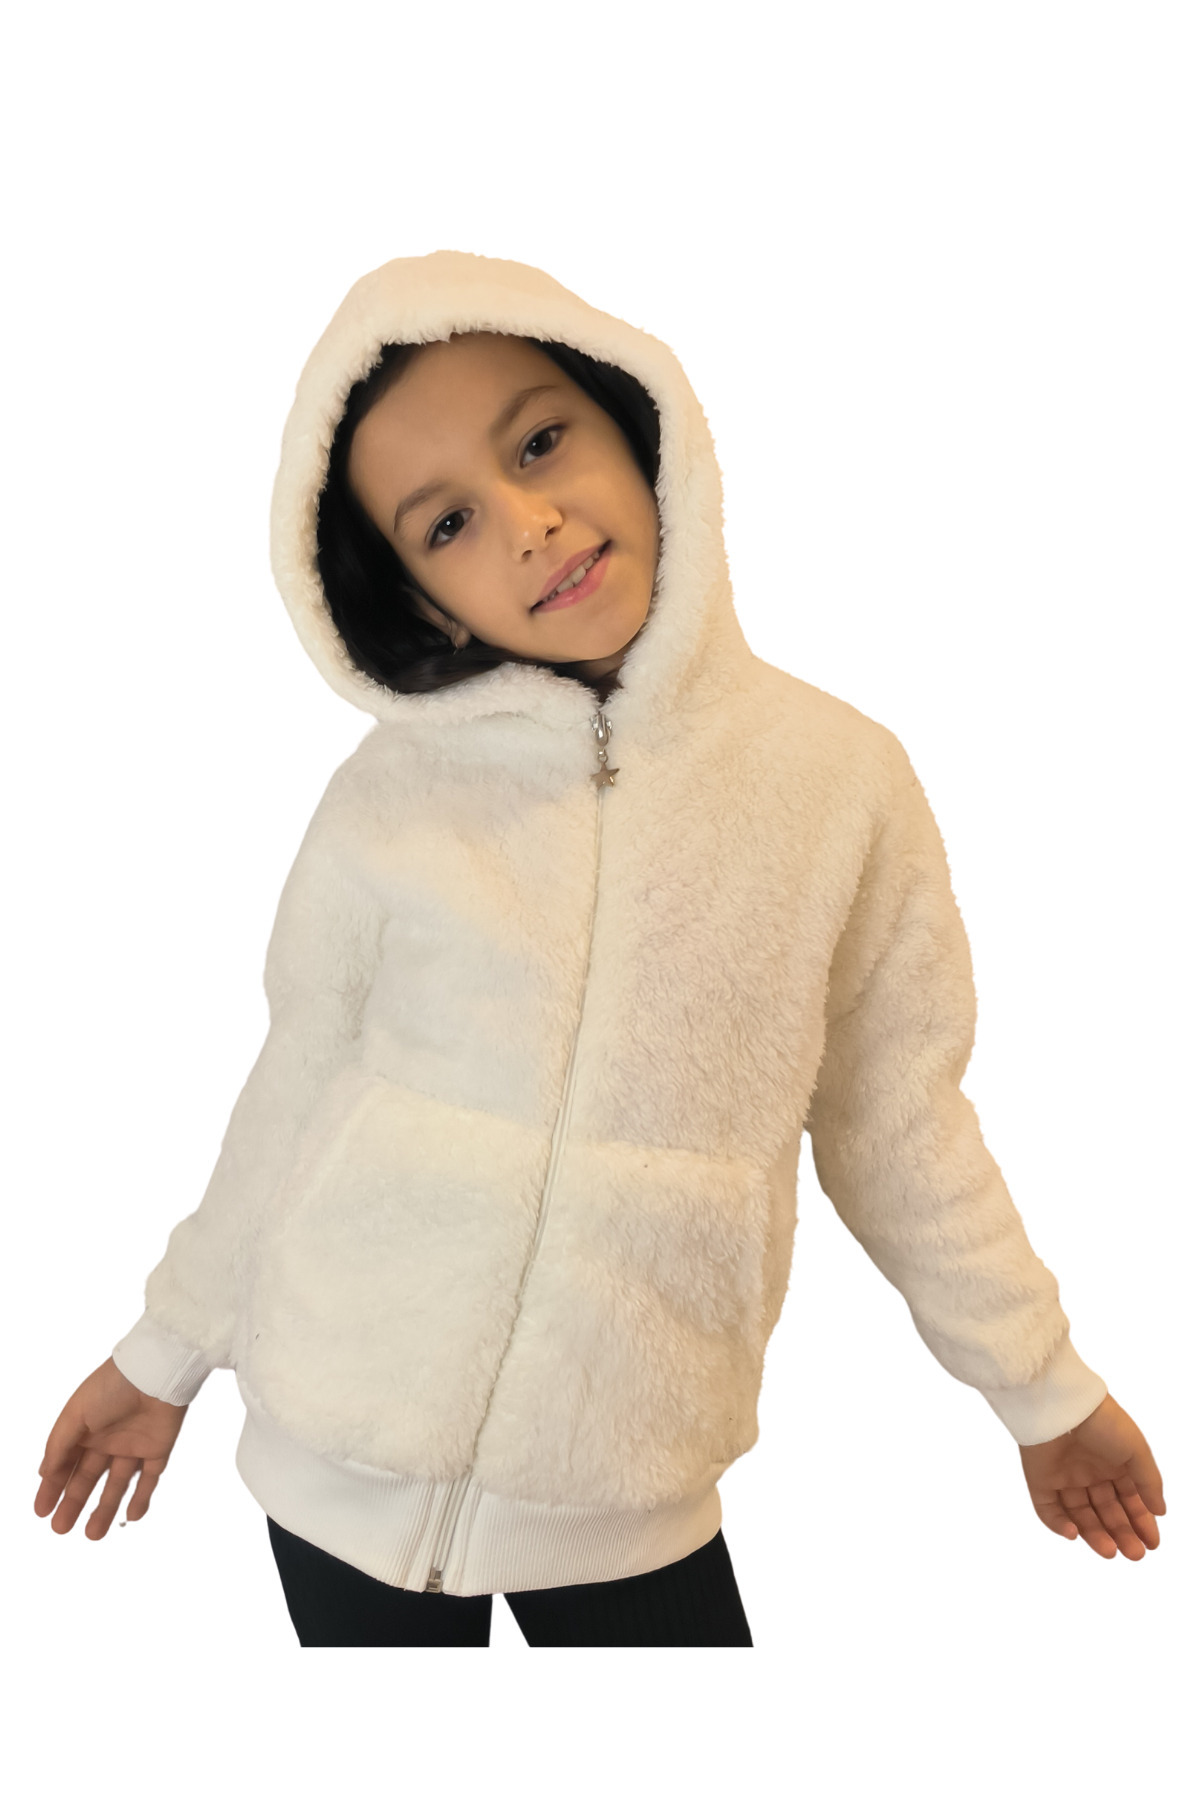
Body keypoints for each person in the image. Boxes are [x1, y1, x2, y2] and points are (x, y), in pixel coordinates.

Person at [34, 250, 1166, 1648]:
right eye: (449, 523)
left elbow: (899, 1123)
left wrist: (1043, 1392)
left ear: (640, 427)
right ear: (423, 601)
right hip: (332, 1460)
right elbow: (298, 1088)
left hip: (628, 1482)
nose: (530, 521)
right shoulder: (387, 802)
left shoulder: (840, 785)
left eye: (541, 442)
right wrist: (164, 1356)